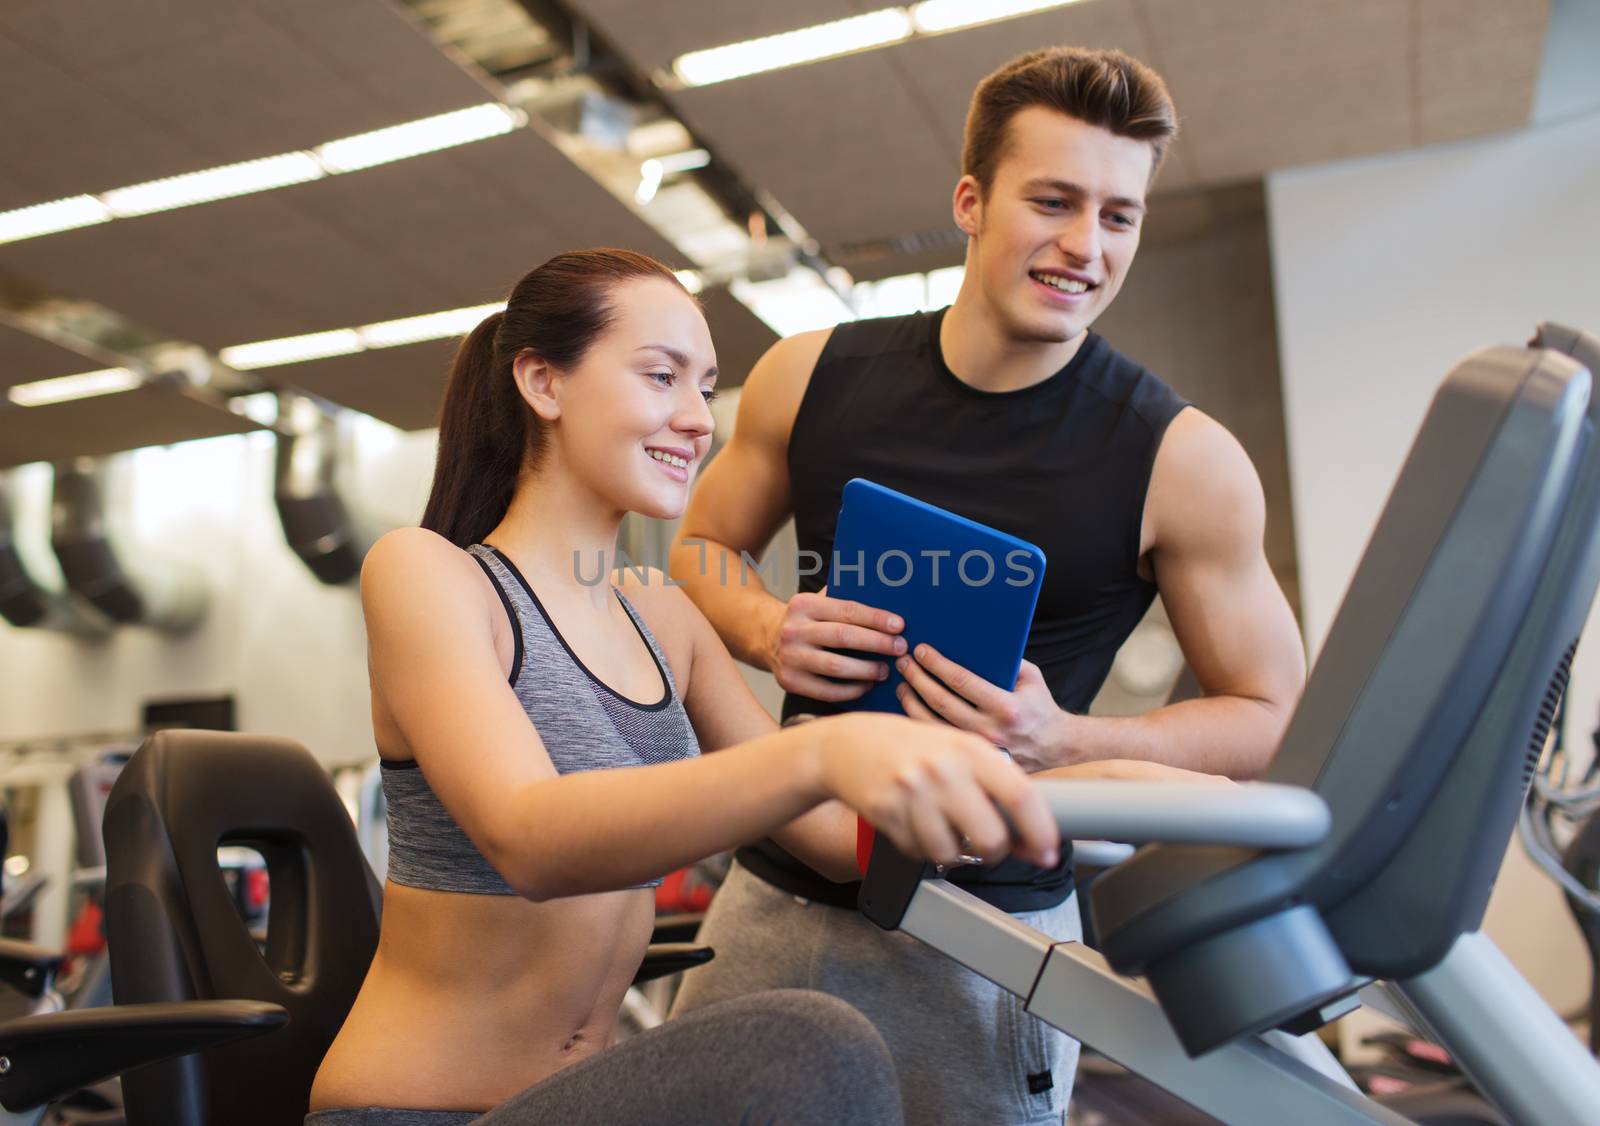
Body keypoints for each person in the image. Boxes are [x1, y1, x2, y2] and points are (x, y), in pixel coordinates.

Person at [667, 47, 1307, 1125]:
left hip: (994, 941)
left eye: (1118, 216)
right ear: (970, 202)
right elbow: (700, 548)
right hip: (773, 899)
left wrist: (1068, 739)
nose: (1083, 246)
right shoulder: (811, 375)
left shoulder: (1180, 459)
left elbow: (1268, 712)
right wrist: (766, 624)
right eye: (1051, 201)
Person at [305, 248, 1070, 1126]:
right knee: (806, 1046)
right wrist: (827, 748)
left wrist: (990, 776)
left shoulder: (660, 615)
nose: (697, 419)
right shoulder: (429, 575)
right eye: (662, 376)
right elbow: (532, 839)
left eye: (706, 388)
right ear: (543, 383)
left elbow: (829, 840)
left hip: (574, 1101)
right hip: (419, 1112)